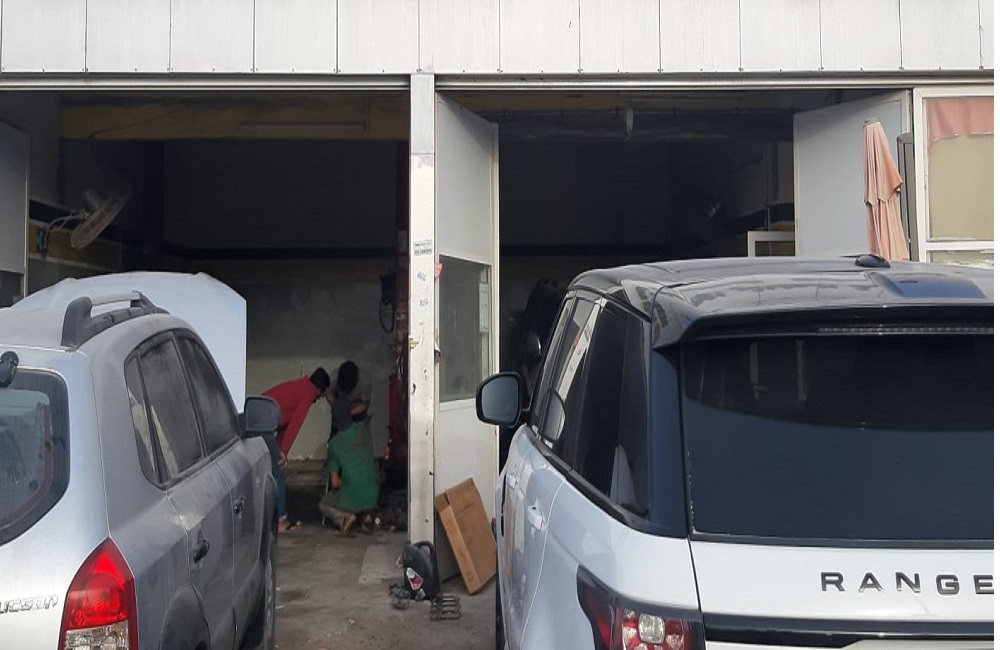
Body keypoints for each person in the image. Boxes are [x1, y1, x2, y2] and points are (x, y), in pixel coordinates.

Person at [263, 367, 331, 533]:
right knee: (278, 471)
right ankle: (281, 520)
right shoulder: (308, 393)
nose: (318, 399)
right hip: (263, 423)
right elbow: (294, 425)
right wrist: (283, 454)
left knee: (271, 467)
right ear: (319, 390)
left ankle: (271, 515)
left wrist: (280, 450)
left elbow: (284, 425)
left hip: (260, 417)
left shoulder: (301, 385)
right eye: (321, 395)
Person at [319, 361, 379, 535]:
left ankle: (345, 516)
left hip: (354, 413)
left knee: (324, 503)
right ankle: (366, 515)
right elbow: (329, 394)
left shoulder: (364, 382)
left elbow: (365, 405)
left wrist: (346, 412)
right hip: (351, 422)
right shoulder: (365, 433)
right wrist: (338, 407)